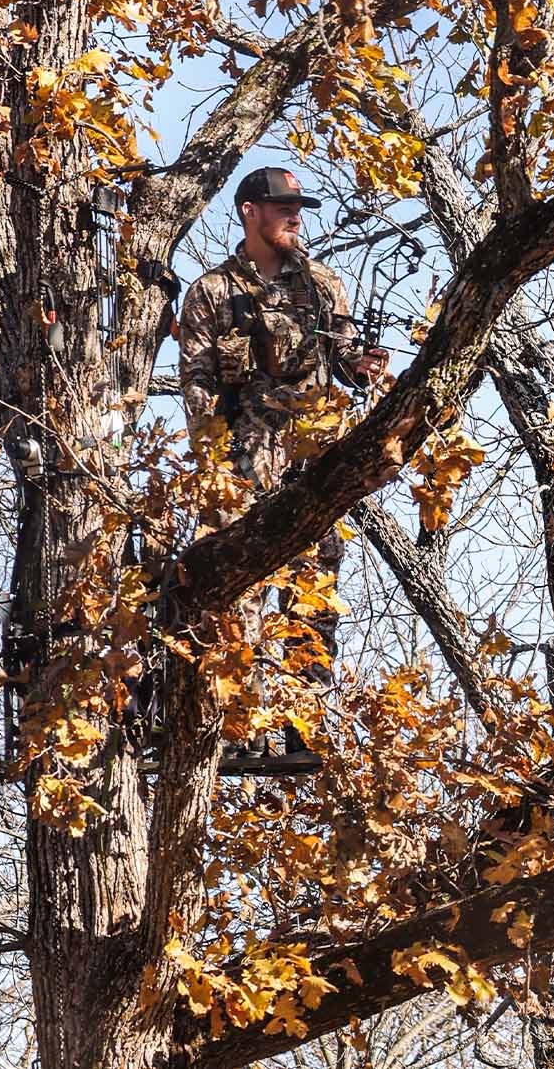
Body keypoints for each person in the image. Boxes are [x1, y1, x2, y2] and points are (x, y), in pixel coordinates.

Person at [177, 166, 386, 773]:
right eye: (282, 207)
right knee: (235, 587)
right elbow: (197, 382)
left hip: (312, 459)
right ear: (249, 212)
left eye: (298, 207)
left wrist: (365, 364)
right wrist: (213, 459)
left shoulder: (323, 284)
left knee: (313, 588)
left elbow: (346, 361)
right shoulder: (211, 292)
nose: (295, 216)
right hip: (240, 462)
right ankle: (235, 725)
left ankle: (297, 728)